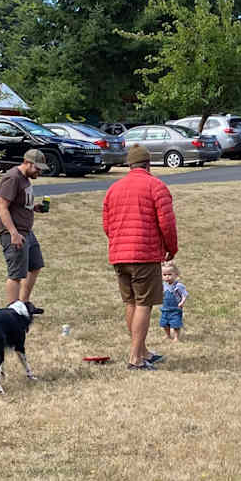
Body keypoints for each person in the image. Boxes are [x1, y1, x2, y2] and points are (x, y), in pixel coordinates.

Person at [101, 144, 178, 369]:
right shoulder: (156, 186)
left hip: (119, 254)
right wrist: (171, 247)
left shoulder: (113, 189)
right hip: (143, 254)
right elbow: (167, 222)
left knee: (131, 302)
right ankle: (135, 358)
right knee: (144, 303)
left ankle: (142, 351)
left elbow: (107, 225)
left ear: (129, 165)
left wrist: (118, 242)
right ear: (147, 164)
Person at [0, 148, 49, 311]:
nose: (39, 172)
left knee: (35, 265)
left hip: (26, 231)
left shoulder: (25, 179)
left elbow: (19, 203)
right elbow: (2, 206)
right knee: (16, 274)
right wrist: (13, 233)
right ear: (27, 163)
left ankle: (23, 304)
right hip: (14, 232)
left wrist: (34, 207)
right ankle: (12, 312)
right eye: (37, 168)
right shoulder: (13, 178)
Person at [158, 260, 188, 342]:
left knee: (176, 324)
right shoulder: (163, 285)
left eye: (169, 274)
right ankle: (168, 335)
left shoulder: (178, 286)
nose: (167, 276)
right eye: (164, 275)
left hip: (175, 308)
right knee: (164, 323)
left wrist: (182, 302)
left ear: (176, 274)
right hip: (165, 308)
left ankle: (176, 337)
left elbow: (184, 295)